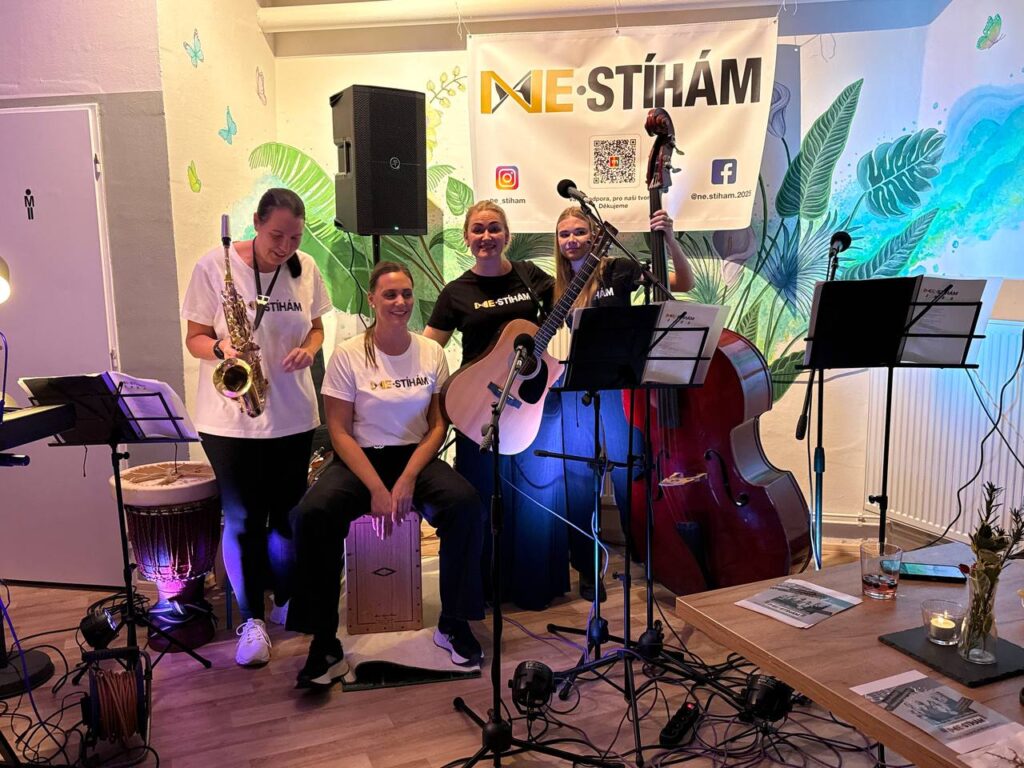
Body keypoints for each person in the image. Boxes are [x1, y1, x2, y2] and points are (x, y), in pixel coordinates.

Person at [287, 262, 485, 689]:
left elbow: (438, 425)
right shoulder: (348, 355)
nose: (400, 302)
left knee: (466, 505)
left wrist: (408, 478)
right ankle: (324, 642)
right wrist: (377, 488)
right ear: (373, 299)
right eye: (390, 294)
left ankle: (453, 622)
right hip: (360, 461)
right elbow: (339, 431)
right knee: (311, 514)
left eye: (406, 294)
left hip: (416, 458)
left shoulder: (431, 352)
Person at [181, 188, 332, 667]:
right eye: (276, 236)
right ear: (256, 223)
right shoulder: (215, 266)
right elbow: (194, 337)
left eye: (294, 237)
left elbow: (317, 326)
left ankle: (285, 597)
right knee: (244, 518)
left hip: (292, 413)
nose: (285, 247)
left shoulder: (305, 268)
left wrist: (310, 349)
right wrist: (223, 351)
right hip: (229, 419)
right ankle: (251, 619)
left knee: (287, 515)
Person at [424, 201, 569, 611]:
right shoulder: (456, 292)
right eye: (478, 229)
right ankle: (481, 590)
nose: (486, 236)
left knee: (532, 503)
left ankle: (530, 588)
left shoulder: (529, 277)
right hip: (477, 410)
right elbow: (428, 349)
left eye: (494, 228)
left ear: (507, 235)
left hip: (527, 406)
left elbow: (566, 310)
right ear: (467, 238)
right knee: (480, 499)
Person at [553, 206, 695, 601]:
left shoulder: (617, 269)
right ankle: (587, 569)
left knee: (629, 475)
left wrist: (669, 240)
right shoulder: (557, 286)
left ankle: (647, 556)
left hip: (621, 390)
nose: (572, 240)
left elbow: (682, 282)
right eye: (564, 234)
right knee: (579, 482)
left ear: (595, 235)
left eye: (579, 232)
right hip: (579, 391)